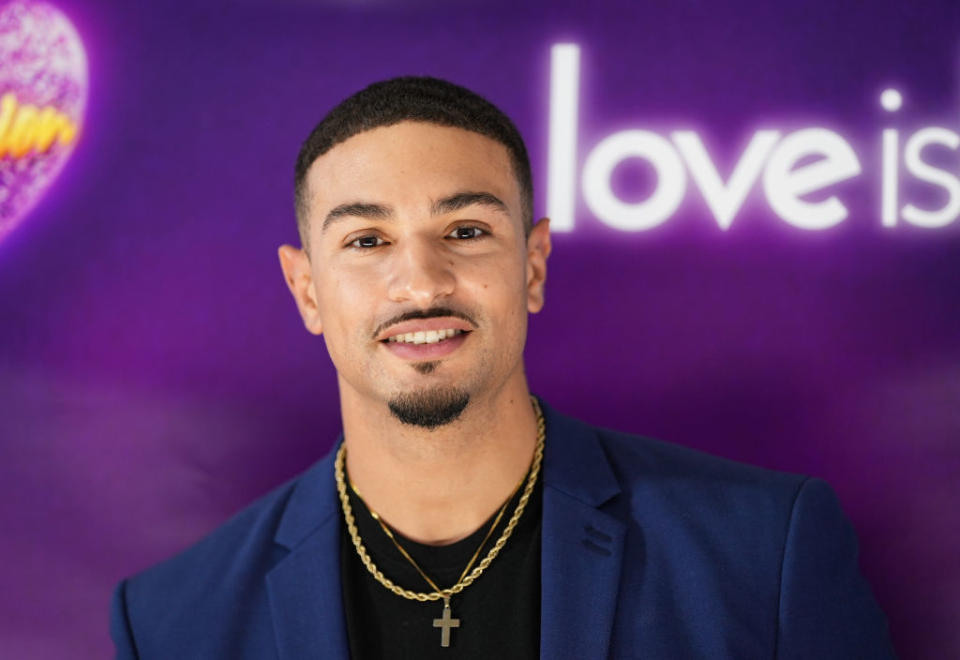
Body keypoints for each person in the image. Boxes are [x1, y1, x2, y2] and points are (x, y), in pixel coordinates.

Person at [110, 76, 896, 659]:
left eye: (466, 230)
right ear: (306, 289)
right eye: (366, 240)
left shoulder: (763, 554)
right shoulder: (175, 621)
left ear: (533, 264)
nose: (420, 283)